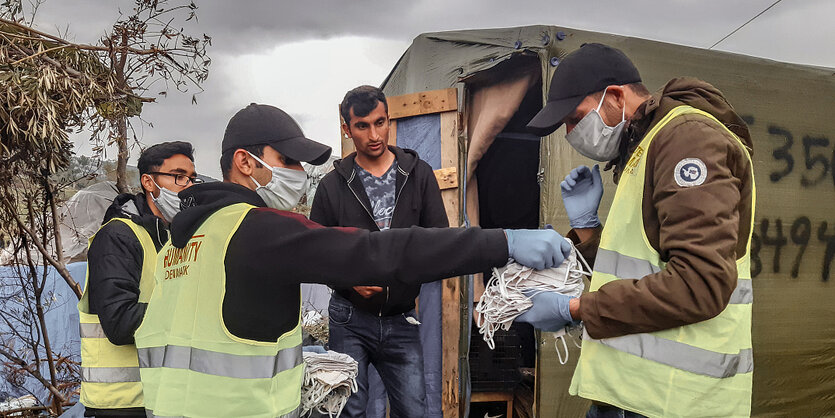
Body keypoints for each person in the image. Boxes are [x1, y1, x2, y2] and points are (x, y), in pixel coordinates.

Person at [133, 103, 572, 418]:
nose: (298, 174)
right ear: (245, 163)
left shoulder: (182, 240)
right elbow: (379, 252)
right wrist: (502, 242)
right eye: (286, 160)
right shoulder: (255, 229)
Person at [519, 43, 756, 417]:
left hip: (673, 401)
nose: (569, 133)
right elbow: (643, 265)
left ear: (615, 96)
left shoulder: (687, 139)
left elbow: (700, 283)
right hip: (633, 394)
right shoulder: (646, 145)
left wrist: (577, 309)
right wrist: (587, 233)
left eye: (575, 118)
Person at [310, 85, 447, 418]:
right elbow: (314, 253)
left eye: (380, 122)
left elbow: (440, 241)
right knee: (349, 409)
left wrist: (403, 274)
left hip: (401, 317)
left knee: (414, 410)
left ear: (389, 120)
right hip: (350, 318)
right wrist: (349, 280)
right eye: (362, 126)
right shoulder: (332, 185)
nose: (374, 134)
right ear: (347, 128)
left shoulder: (418, 175)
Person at [78, 141, 200, 417]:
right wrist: (194, 314)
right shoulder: (118, 236)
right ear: (148, 182)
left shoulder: (171, 239)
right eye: (178, 176)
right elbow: (120, 323)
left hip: (161, 397)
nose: (188, 185)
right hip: (122, 403)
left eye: (192, 178)